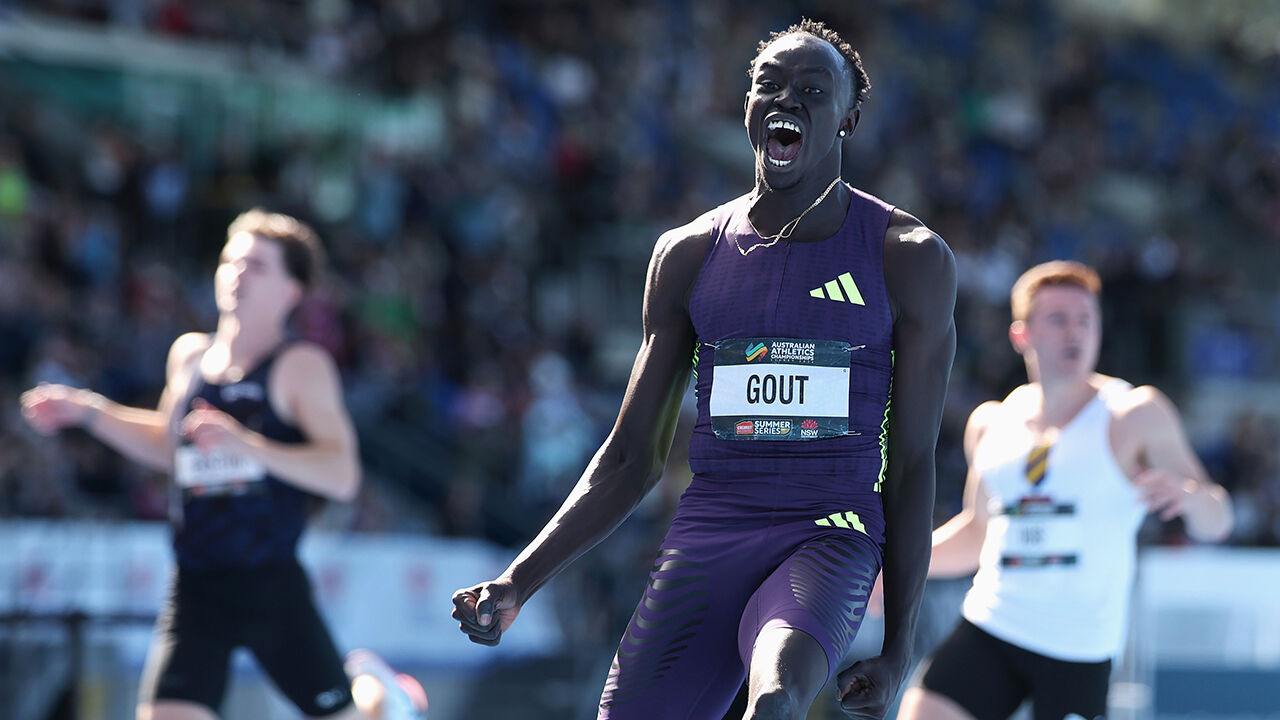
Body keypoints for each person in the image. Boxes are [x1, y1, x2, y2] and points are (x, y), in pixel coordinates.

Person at [452, 19, 956, 720]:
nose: (788, 99)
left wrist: (899, 646)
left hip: (831, 530)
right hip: (712, 532)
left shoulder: (908, 256)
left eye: (814, 90)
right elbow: (630, 458)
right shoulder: (689, 254)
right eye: (769, 85)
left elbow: (911, 466)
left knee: (774, 699)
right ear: (746, 105)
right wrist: (516, 582)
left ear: (850, 119)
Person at [20, 209, 425, 720]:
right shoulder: (190, 357)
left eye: (255, 265)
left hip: (270, 585)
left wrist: (247, 445)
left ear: (292, 289)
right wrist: (89, 413)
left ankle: (381, 696)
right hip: (196, 585)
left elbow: (342, 476)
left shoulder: (300, 367)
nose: (236, 273)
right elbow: (171, 447)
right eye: (230, 260)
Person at [897, 260, 1234, 720]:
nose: (1074, 331)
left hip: (1078, 650)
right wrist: (894, 568)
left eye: (1085, 319)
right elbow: (977, 534)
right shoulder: (991, 422)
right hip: (994, 625)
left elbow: (1219, 520)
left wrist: (1192, 498)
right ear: (1022, 335)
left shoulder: (1134, 415)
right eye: (1057, 319)